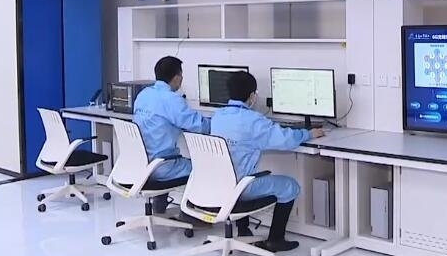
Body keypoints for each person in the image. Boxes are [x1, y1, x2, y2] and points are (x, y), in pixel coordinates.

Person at [211, 71, 325, 252]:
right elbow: (285, 140)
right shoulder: (253, 120)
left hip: (218, 184)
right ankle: (275, 240)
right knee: (290, 186)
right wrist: (309, 133)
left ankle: (243, 229)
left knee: (240, 170)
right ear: (252, 96)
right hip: (242, 188)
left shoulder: (218, 116)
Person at [133, 56, 209, 216]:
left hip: (141, 164)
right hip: (162, 167)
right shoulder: (172, 100)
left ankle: (159, 207)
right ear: (177, 78)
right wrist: (222, 120)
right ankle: (192, 215)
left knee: (167, 154)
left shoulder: (143, 95)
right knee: (205, 167)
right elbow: (199, 126)